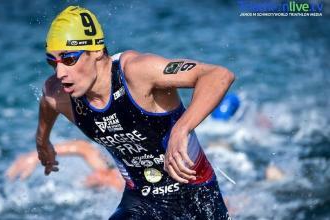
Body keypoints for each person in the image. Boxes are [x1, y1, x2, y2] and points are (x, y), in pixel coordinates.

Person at [36, 5, 235, 219]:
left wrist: (181, 129)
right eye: (52, 62)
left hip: (198, 197)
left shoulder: (137, 72)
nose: (60, 73)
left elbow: (218, 75)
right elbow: (47, 104)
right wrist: (43, 142)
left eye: (68, 59)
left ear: (96, 51)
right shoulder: (58, 92)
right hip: (141, 202)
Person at [6, 140, 124, 191]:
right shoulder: (109, 170)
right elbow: (83, 148)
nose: (95, 175)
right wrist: (33, 157)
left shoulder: (120, 183)